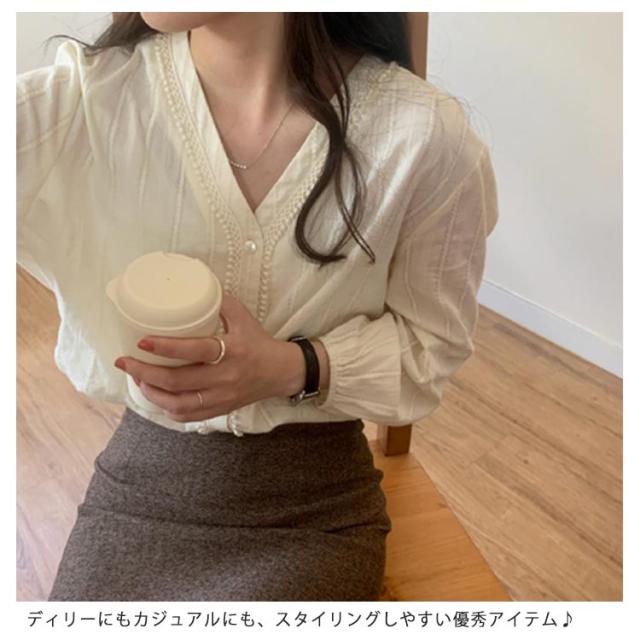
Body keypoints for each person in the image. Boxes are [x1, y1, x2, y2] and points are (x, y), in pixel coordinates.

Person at [16, 12, 498, 601]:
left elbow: (430, 348)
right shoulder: (82, 100)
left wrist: (290, 366)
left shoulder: (423, 136)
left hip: (313, 505)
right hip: (141, 486)